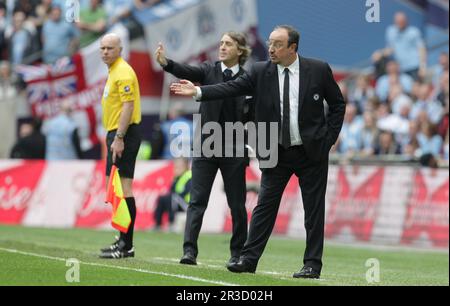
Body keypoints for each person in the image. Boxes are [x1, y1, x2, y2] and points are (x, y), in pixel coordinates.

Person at [171, 25, 346, 279]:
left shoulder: (318, 69)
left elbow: (338, 104)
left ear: (292, 48)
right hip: (276, 151)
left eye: (277, 44)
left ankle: (312, 265)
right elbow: (231, 88)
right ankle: (248, 259)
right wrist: (199, 91)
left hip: (311, 153)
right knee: (264, 207)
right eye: (270, 42)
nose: (271, 48)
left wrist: (328, 139)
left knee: (313, 210)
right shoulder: (259, 70)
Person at [155, 32, 253, 267]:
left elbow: (253, 114)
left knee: (237, 205)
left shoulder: (249, 79)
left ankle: (237, 253)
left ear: (240, 50)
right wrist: (166, 63)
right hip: (205, 148)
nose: (222, 47)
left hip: (234, 149)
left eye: (228, 44)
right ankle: (189, 252)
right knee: (197, 202)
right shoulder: (209, 70)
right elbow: (186, 71)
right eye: (221, 43)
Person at [98, 33, 142, 259]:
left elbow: (128, 106)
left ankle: (127, 245)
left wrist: (120, 137)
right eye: (103, 48)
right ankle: (122, 239)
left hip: (124, 133)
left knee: (124, 188)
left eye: (110, 48)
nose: (105, 52)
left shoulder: (123, 72)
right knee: (115, 188)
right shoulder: (114, 71)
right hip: (115, 133)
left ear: (120, 49)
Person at [153, 158, 192, 232]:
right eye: (175, 167)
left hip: (187, 205)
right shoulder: (177, 178)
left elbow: (185, 192)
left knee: (172, 197)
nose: (176, 169)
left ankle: (172, 222)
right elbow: (171, 191)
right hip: (178, 201)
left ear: (186, 166)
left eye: (179, 167)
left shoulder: (189, 176)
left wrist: (174, 195)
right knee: (162, 198)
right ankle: (157, 224)